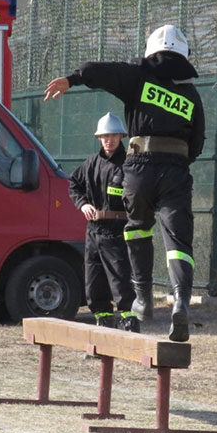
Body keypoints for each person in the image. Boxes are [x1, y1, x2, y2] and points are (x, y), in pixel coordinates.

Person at [45, 25, 205, 342]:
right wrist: (175, 166)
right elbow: (197, 143)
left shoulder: (138, 77)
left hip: (139, 169)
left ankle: (143, 295)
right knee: (178, 244)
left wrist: (72, 79)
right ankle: (181, 303)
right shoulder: (191, 94)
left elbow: (98, 71)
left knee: (137, 226)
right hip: (175, 170)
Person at [68, 113, 139, 332]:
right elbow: (73, 184)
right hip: (93, 232)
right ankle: (104, 325)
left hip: (117, 232)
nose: (109, 140)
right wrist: (83, 205)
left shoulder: (129, 164)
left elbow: (142, 194)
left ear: (121, 136)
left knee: (120, 282)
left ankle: (129, 324)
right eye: (105, 136)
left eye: (113, 136)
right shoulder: (91, 163)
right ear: (99, 138)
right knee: (93, 283)